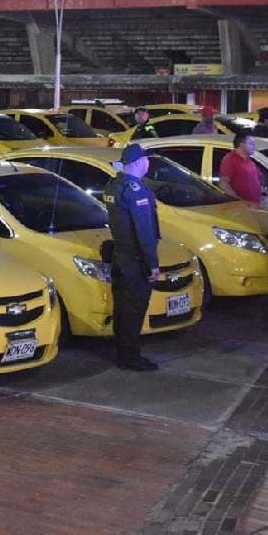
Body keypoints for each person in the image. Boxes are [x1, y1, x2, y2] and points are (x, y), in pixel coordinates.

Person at [106, 144, 160, 371]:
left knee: (122, 308)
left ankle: (123, 351)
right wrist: (153, 265)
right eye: (146, 159)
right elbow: (144, 232)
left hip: (120, 256)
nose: (149, 163)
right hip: (136, 260)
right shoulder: (136, 190)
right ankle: (130, 357)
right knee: (134, 310)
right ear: (138, 162)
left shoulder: (113, 185)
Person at [219, 132, 263, 204]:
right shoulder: (230, 159)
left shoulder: (249, 160)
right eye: (251, 143)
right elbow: (223, 183)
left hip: (254, 206)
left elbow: (259, 178)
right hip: (241, 209)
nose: (254, 146)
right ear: (242, 145)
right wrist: (239, 201)